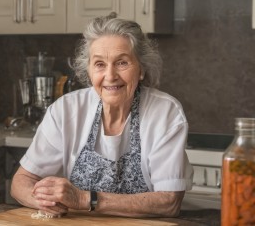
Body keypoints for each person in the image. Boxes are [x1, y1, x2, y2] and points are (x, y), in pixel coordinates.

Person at [11, 14, 193, 218]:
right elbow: (22, 180)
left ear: (141, 69)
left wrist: (83, 199)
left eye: (122, 63)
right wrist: (44, 200)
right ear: (88, 71)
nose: (110, 75)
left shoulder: (164, 112)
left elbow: (169, 202)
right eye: (99, 64)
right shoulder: (66, 110)